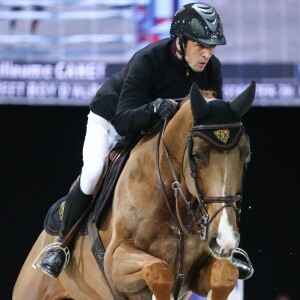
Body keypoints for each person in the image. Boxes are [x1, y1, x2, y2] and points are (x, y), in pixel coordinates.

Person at [38, 2, 252, 280]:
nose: (206, 54)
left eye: (211, 47)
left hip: (159, 131)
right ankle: (61, 246)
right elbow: (125, 121)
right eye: (200, 45)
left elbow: (210, 122)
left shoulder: (212, 69)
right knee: (92, 172)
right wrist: (153, 109)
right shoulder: (149, 59)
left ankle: (223, 243)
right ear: (181, 40)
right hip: (112, 119)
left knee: (206, 171)